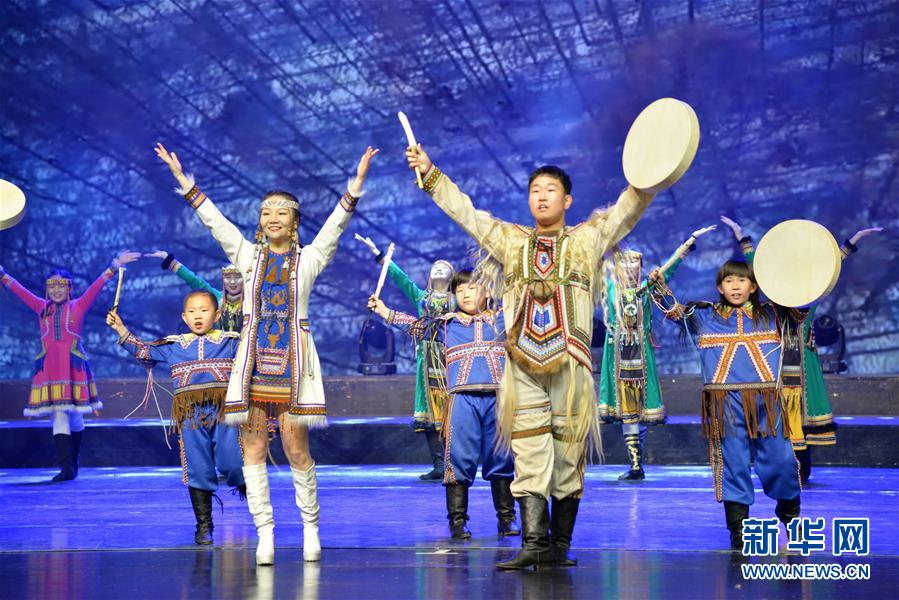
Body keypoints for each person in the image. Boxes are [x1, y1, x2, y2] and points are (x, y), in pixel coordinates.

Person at [405, 145, 657, 569]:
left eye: (550, 190)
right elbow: (466, 213)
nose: (541, 196)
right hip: (521, 362)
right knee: (527, 452)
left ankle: (559, 545)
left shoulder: (587, 240)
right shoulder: (509, 240)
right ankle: (534, 542)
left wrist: (650, 172)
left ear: (567, 200)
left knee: (568, 453)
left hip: (571, 361)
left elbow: (625, 212)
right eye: (535, 190)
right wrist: (431, 173)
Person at [155, 142, 378, 565]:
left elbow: (336, 225)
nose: (272, 218)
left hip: (294, 369)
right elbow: (215, 222)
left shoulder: (310, 259)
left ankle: (310, 529)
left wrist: (357, 183)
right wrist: (183, 180)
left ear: (294, 222)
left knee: (296, 450)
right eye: (266, 212)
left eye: (281, 212)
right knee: (253, 450)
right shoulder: (247, 256)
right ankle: (265, 534)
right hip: (254, 368)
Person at [650, 257, 804, 551]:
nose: (735, 286)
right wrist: (660, 283)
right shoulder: (704, 315)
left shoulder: (773, 312)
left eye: (742, 280)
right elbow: (673, 311)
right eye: (729, 281)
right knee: (733, 462)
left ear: (753, 286)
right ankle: (739, 530)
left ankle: (790, 515)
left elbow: (802, 307)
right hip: (725, 401)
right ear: (720, 287)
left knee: (782, 460)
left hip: (766, 400)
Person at [721, 216, 882, 483]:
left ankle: (801, 473)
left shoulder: (809, 304)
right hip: (776, 378)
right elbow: (757, 268)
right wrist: (742, 238)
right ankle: (777, 471)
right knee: (777, 428)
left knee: (800, 428)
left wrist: (851, 243)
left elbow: (831, 270)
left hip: (802, 378)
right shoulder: (772, 306)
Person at [369, 270, 519, 539]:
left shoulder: (503, 321)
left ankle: (506, 518)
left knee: (501, 458)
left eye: (472, 288)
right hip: (462, 400)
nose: (465, 294)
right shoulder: (447, 325)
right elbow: (415, 326)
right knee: (459, 459)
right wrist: (384, 311)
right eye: (459, 290)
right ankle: (457, 521)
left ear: (486, 291)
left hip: (497, 400)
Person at [107, 290, 244, 545]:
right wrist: (121, 329)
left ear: (217, 315)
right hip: (190, 414)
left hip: (224, 412)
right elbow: (144, 351)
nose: (197, 316)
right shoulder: (175, 345)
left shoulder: (231, 342)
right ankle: (204, 525)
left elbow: (253, 355)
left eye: (204, 310)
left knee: (234, 462)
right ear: (184, 317)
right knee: (198, 467)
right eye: (192, 311)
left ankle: (258, 507)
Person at [0, 250, 139, 481]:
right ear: (47, 289)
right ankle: (66, 468)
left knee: (74, 417)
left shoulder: (77, 306)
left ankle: (73, 463)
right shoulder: (41, 307)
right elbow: (20, 291)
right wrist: (3, 275)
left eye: (61, 286)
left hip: (72, 367)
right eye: (52, 286)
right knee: (59, 415)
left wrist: (115, 265)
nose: (56, 290)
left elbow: (95, 287)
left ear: (69, 288)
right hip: (50, 368)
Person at [598, 225, 715, 480]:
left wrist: (689, 242)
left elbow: (669, 268)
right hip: (617, 358)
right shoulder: (609, 289)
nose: (629, 271)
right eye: (624, 266)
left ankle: (637, 462)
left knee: (640, 410)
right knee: (628, 412)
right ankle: (635, 465)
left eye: (634, 266)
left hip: (641, 358)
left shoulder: (646, 288)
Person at [357, 234, 454, 480]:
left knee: (451, 412)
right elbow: (402, 280)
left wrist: (387, 313)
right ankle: (439, 465)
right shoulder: (422, 298)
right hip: (426, 361)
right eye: (435, 267)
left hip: (451, 360)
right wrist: (382, 257)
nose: (438, 268)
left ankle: (454, 462)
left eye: (444, 267)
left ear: (452, 277)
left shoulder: (458, 301)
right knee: (428, 413)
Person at [144, 251, 245, 333]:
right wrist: (169, 261)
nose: (232, 282)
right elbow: (193, 280)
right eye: (228, 278)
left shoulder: (252, 298)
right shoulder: (217, 298)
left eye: (236, 278)